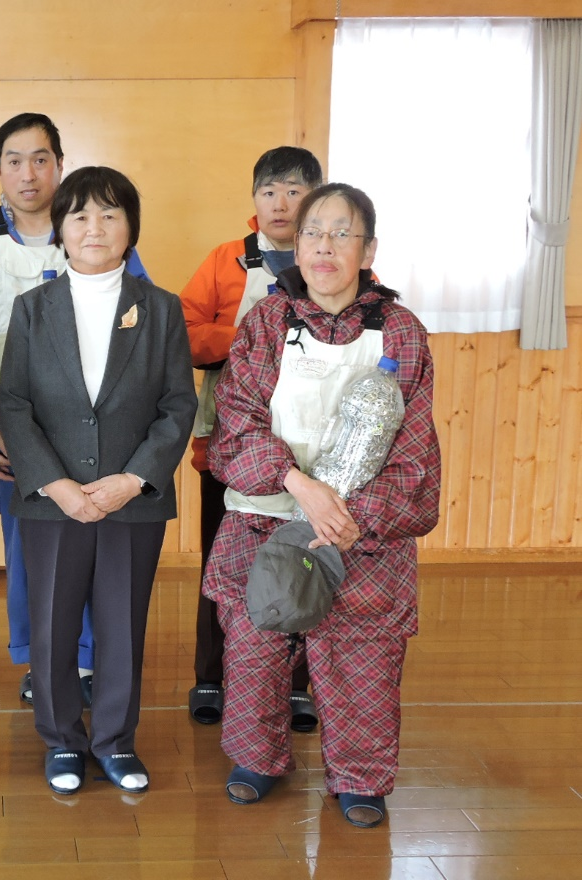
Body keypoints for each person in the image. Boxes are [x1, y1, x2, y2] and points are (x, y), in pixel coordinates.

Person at [203, 183, 440, 827]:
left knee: (362, 652)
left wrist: (351, 516)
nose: (325, 247)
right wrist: (299, 485)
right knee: (254, 640)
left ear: (369, 250)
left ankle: (359, 777)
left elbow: (414, 449)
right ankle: (257, 759)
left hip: (359, 528)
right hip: (267, 513)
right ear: (296, 246)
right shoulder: (267, 321)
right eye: (313, 233)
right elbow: (237, 421)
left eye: (342, 234)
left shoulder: (401, 332)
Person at [0, 166, 196, 794]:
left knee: (121, 626)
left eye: (110, 214)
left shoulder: (160, 309)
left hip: (130, 502)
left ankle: (114, 740)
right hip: (50, 501)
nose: (94, 227)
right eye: (80, 215)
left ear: (131, 228)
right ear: (60, 228)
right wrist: (56, 485)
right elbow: (14, 405)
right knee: (53, 626)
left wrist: (132, 480)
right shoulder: (33, 309)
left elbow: (177, 406)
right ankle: (61, 740)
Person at [0, 112, 150, 707]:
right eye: (14, 161)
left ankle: (89, 660)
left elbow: (140, 320)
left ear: (60, 163)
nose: (28, 173)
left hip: (98, 419)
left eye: (40, 159)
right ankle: (44, 659)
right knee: (29, 544)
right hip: (9, 422)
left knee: (99, 535)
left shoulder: (93, 230)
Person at [181, 146, 324, 731]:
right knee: (223, 565)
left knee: (306, 562)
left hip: (313, 451)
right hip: (231, 444)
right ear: (254, 200)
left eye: (293, 191)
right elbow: (185, 333)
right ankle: (211, 677)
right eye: (269, 191)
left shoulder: (330, 260)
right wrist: (246, 335)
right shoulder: (226, 260)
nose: (280, 203)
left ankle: (296, 685)